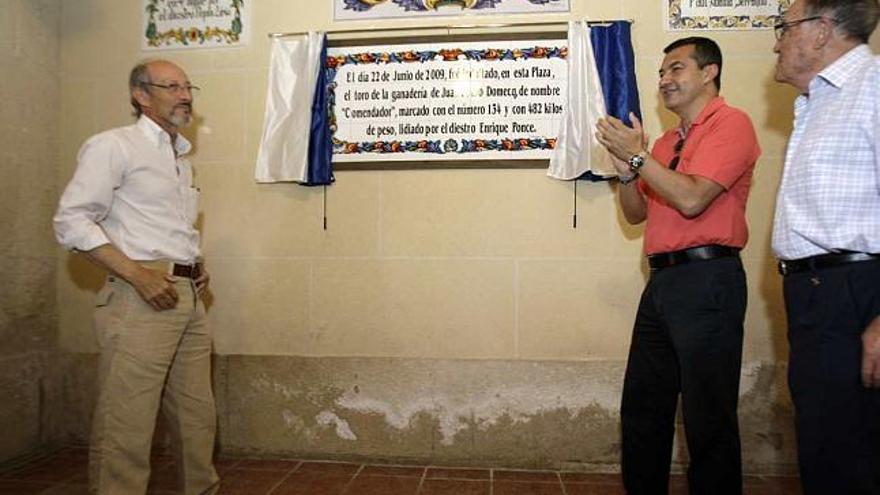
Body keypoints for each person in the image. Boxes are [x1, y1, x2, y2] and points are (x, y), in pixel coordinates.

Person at [595, 37, 761, 494]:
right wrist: (627, 170)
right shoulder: (666, 141)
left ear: (709, 73)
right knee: (643, 408)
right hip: (662, 281)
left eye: (676, 69)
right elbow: (635, 213)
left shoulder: (731, 124)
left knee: (708, 416)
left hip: (709, 280)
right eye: (662, 73)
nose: (665, 80)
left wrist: (636, 156)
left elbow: (691, 198)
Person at [54, 59, 219, 494]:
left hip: (186, 296)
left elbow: (164, 228)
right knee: (125, 423)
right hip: (138, 297)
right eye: (171, 86)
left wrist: (193, 268)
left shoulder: (181, 159)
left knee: (197, 418)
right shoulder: (114, 146)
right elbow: (71, 222)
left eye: (188, 86)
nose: (185, 95)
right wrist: (137, 275)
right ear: (140, 95)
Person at [770, 0, 880, 493]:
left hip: (859, 294)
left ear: (821, 31)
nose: (776, 41)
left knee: (856, 455)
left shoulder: (872, 88)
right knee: (825, 448)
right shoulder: (817, 102)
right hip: (818, 295)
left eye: (784, 27)